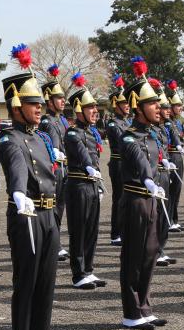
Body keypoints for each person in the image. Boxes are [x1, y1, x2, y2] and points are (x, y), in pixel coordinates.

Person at [0, 68, 64, 330]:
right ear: (16, 106)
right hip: (28, 214)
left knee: (46, 284)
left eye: (40, 102)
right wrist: (19, 193)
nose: (39, 106)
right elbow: (16, 169)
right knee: (27, 283)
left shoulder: (41, 137)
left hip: (49, 215)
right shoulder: (10, 139)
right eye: (32, 102)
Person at [117, 74, 168, 330]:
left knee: (150, 253)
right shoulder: (129, 136)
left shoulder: (151, 134)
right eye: (152, 103)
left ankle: (144, 306)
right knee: (133, 256)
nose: (158, 107)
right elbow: (138, 161)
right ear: (138, 107)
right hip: (136, 198)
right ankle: (131, 311)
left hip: (151, 200)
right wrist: (148, 180)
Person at [64, 77, 107, 290]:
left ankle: (88, 270)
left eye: (95, 107)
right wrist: (90, 167)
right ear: (79, 110)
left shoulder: (91, 132)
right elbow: (82, 154)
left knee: (92, 229)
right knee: (79, 230)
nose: (95, 111)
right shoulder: (72, 132)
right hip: (79, 185)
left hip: (91, 185)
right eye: (90, 108)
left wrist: (98, 183)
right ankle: (78, 273)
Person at [39, 66, 70, 261]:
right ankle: (54, 243)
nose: (63, 100)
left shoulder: (62, 121)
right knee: (53, 209)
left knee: (59, 209)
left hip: (64, 168)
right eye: (59, 98)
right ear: (49, 101)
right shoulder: (48, 121)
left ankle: (55, 241)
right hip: (55, 169)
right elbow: (52, 150)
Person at [105, 76, 132, 246]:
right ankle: (116, 233)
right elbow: (120, 143)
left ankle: (124, 230)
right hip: (118, 163)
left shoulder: (127, 122)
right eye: (124, 103)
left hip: (127, 162)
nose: (128, 106)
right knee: (119, 198)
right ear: (116, 105)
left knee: (127, 198)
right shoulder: (113, 124)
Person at [154, 86, 176, 267]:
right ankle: (154, 250)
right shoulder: (151, 130)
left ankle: (161, 248)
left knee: (164, 214)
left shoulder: (161, 129)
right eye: (164, 107)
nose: (168, 110)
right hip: (154, 176)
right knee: (156, 214)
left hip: (164, 174)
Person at [165, 81, 184, 233]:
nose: (180, 108)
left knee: (177, 190)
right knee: (171, 191)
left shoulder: (178, 122)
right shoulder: (167, 123)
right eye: (177, 105)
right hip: (171, 156)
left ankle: (174, 219)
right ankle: (169, 221)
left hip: (178, 157)